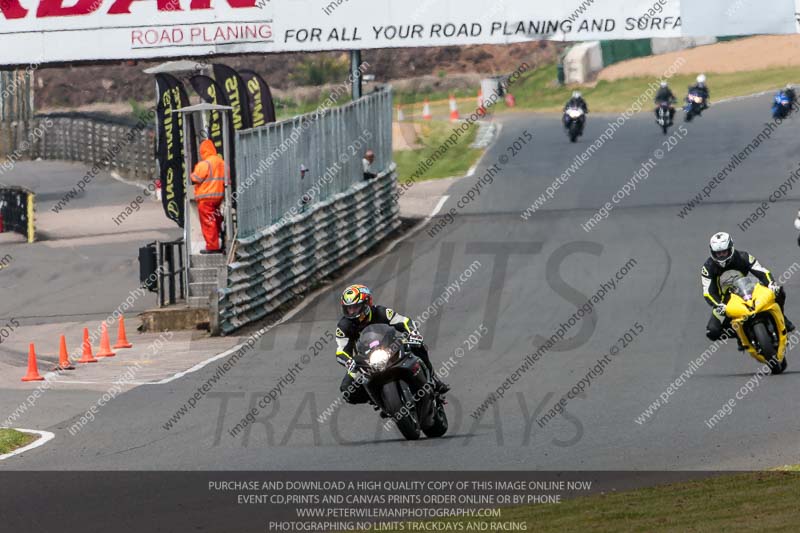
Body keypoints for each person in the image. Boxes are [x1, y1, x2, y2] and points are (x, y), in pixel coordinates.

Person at [334, 284, 450, 405]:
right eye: (348, 308)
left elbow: (404, 321)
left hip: (391, 347)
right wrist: (348, 361)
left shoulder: (381, 312)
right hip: (365, 359)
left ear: (366, 303)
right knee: (347, 390)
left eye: (355, 307)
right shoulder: (343, 327)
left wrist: (413, 333)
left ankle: (433, 379)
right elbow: (341, 351)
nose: (352, 311)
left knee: (417, 345)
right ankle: (378, 400)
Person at [702, 232, 794, 346]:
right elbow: (708, 292)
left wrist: (771, 284)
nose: (721, 256)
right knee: (712, 331)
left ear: (731, 248)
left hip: (747, 290)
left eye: (724, 252)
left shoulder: (743, 256)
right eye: (718, 253)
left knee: (778, 291)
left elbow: (761, 271)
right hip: (725, 302)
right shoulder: (708, 268)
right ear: (712, 252)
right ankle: (740, 335)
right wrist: (719, 305)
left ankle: (782, 319)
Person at [191, 139, 226, 254]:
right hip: (219, 198)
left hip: (206, 199)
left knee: (208, 223)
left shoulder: (205, 164)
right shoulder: (222, 162)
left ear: (203, 151)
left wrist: (193, 172)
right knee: (216, 220)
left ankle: (212, 247)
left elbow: (196, 178)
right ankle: (221, 241)